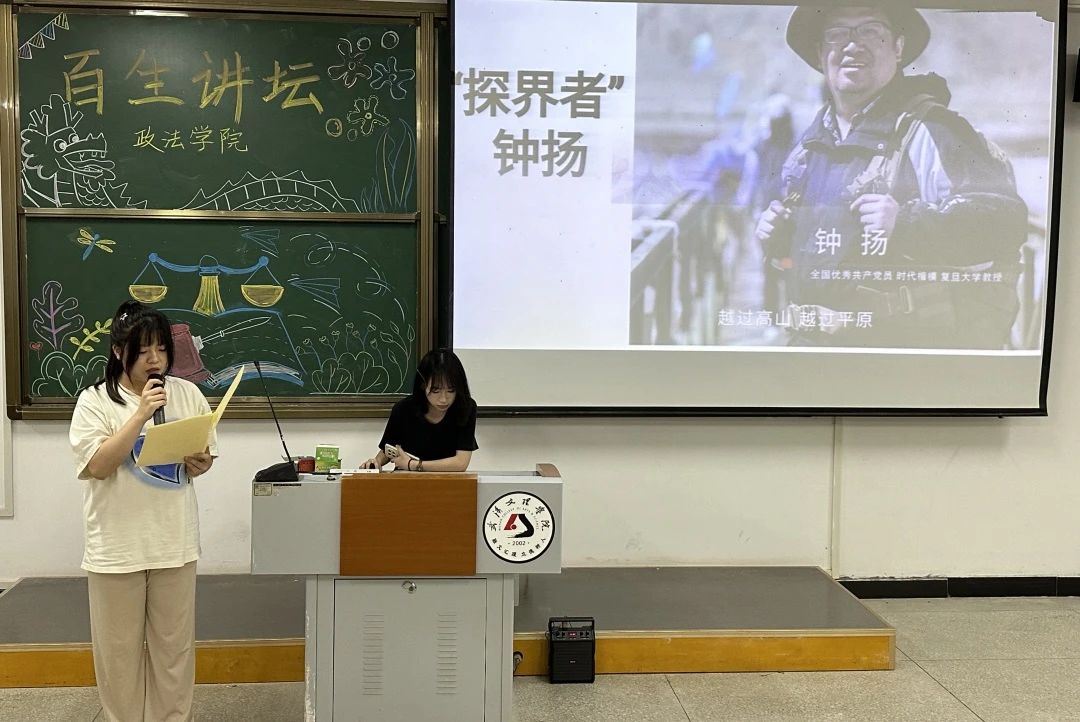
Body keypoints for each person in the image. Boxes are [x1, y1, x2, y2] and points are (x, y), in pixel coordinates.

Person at [754, 4, 1028, 349]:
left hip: (903, 359)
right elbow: (817, 256)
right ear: (821, 54)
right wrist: (783, 241)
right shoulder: (809, 147)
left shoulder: (934, 131)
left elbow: (1005, 223)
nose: (852, 45)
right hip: (810, 351)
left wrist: (906, 223)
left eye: (871, 31)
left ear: (898, 48)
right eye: (837, 34)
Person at [69, 300, 216, 721]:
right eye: (144, 350)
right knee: (118, 657)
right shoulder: (94, 401)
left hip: (174, 542)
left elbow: (203, 457)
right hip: (116, 549)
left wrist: (200, 463)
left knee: (174, 651)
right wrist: (140, 414)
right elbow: (98, 466)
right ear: (119, 351)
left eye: (162, 349)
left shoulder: (187, 393)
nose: (156, 360)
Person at [361, 349, 477, 472]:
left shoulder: (466, 407)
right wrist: (376, 462)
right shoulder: (403, 409)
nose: (444, 399)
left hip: (449, 480)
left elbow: (460, 463)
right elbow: (389, 448)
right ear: (423, 385)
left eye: (451, 391)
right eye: (435, 391)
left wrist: (412, 464)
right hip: (408, 480)